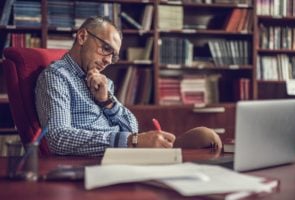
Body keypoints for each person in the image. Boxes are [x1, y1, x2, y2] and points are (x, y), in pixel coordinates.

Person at [35, 16, 222, 156]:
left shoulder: (100, 81)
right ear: (82, 36)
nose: (108, 60)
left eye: (113, 55)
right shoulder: (56, 77)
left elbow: (131, 125)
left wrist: (106, 101)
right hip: (99, 161)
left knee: (206, 140)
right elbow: (58, 139)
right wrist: (132, 141)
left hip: (124, 152)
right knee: (199, 148)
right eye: (106, 48)